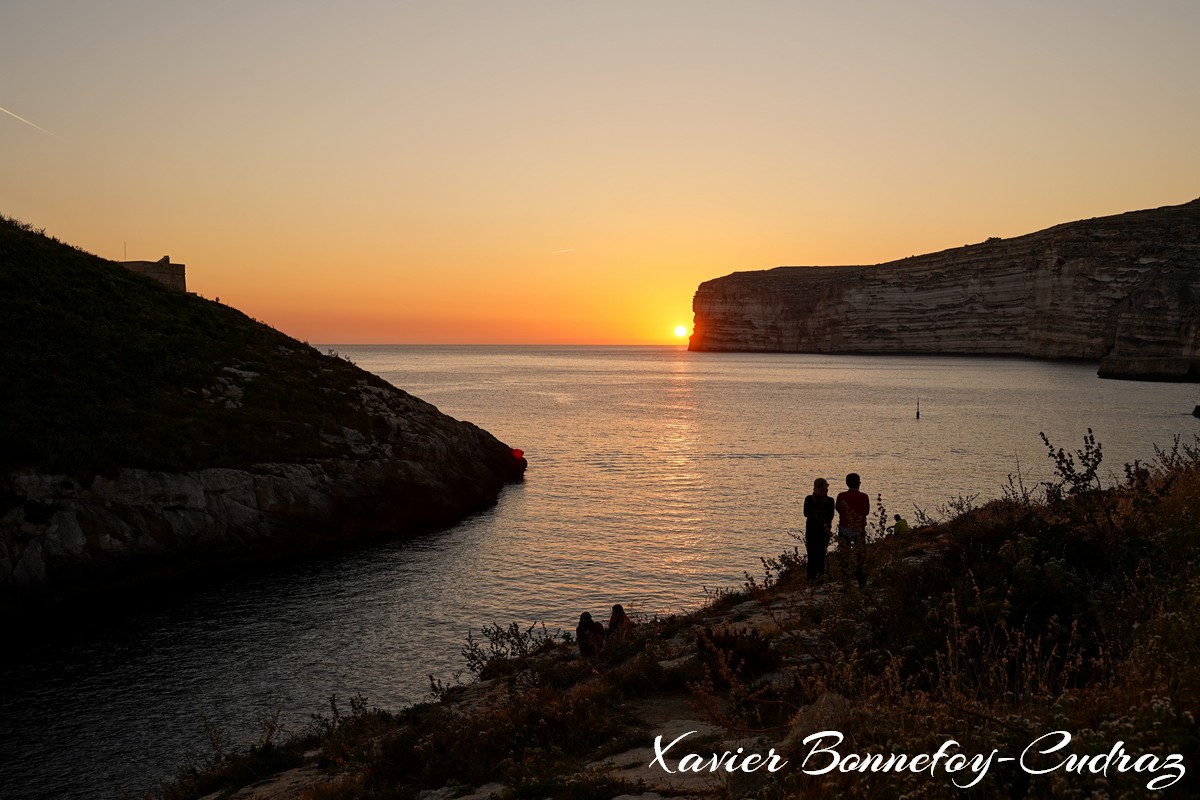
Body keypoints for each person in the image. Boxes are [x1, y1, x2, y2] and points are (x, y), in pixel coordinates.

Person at [835, 472, 870, 588]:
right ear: (859, 483)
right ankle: (862, 583)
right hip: (859, 530)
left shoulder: (841, 496)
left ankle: (846, 584)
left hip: (844, 529)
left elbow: (839, 509)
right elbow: (866, 512)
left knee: (844, 557)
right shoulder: (864, 497)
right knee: (861, 557)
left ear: (847, 483)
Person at [802, 477, 835, 582]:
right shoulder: (829, 501)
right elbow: (830, 516)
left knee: (814, 556)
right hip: (820, 530)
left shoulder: (810, 499)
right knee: (819, 556)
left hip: (814, 530)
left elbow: (807, 514)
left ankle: (812, 580)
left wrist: (816, 515)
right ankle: (818, 580)